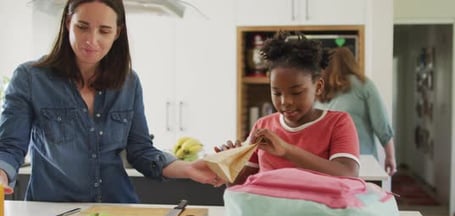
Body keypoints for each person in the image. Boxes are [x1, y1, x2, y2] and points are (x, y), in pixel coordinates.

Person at [0, 0, 224, 202]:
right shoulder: (30, 78)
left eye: (104, 31)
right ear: (68, 23)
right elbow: (10, 146)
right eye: (82, 26)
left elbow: (141, 150)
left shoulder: (128, 82)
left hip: (118, 209)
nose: (92, 40)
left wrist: (188, 168)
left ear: (117, 33)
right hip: (50, 213)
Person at [217, 31, 360, 185]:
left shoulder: (338, 122)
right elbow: (239, 187)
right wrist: (230, 166)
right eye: (277, 92)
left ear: (318, 87)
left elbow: (348, 174)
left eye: (297, 92)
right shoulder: (263, 126)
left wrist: (286, 150)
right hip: (268, 208)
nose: (285, 101)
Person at [316, 47, 397, 175]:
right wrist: (390, 157)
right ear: (351, 62)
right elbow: (381, 124)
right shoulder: (364, 84)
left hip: (324, 163)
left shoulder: (318, 89)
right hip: (361, 160)